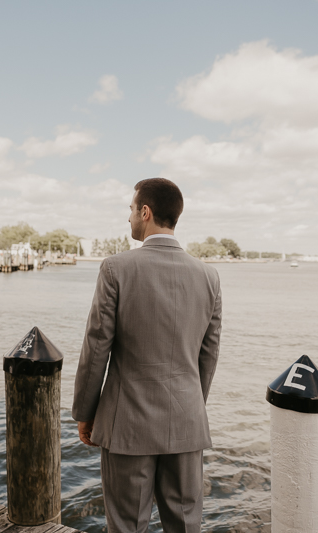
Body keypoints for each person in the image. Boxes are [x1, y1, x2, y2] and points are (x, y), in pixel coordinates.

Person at [73, 177, 223, 533]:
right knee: (185, 525)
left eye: (130, 210)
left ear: (146, 211)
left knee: (127, 526)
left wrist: (85, 412)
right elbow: (209, 354)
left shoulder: (116, 268)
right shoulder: (209, 276)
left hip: (128, 424)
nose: (128, 219)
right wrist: (189, 405)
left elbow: (97, 349)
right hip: (187, 419)